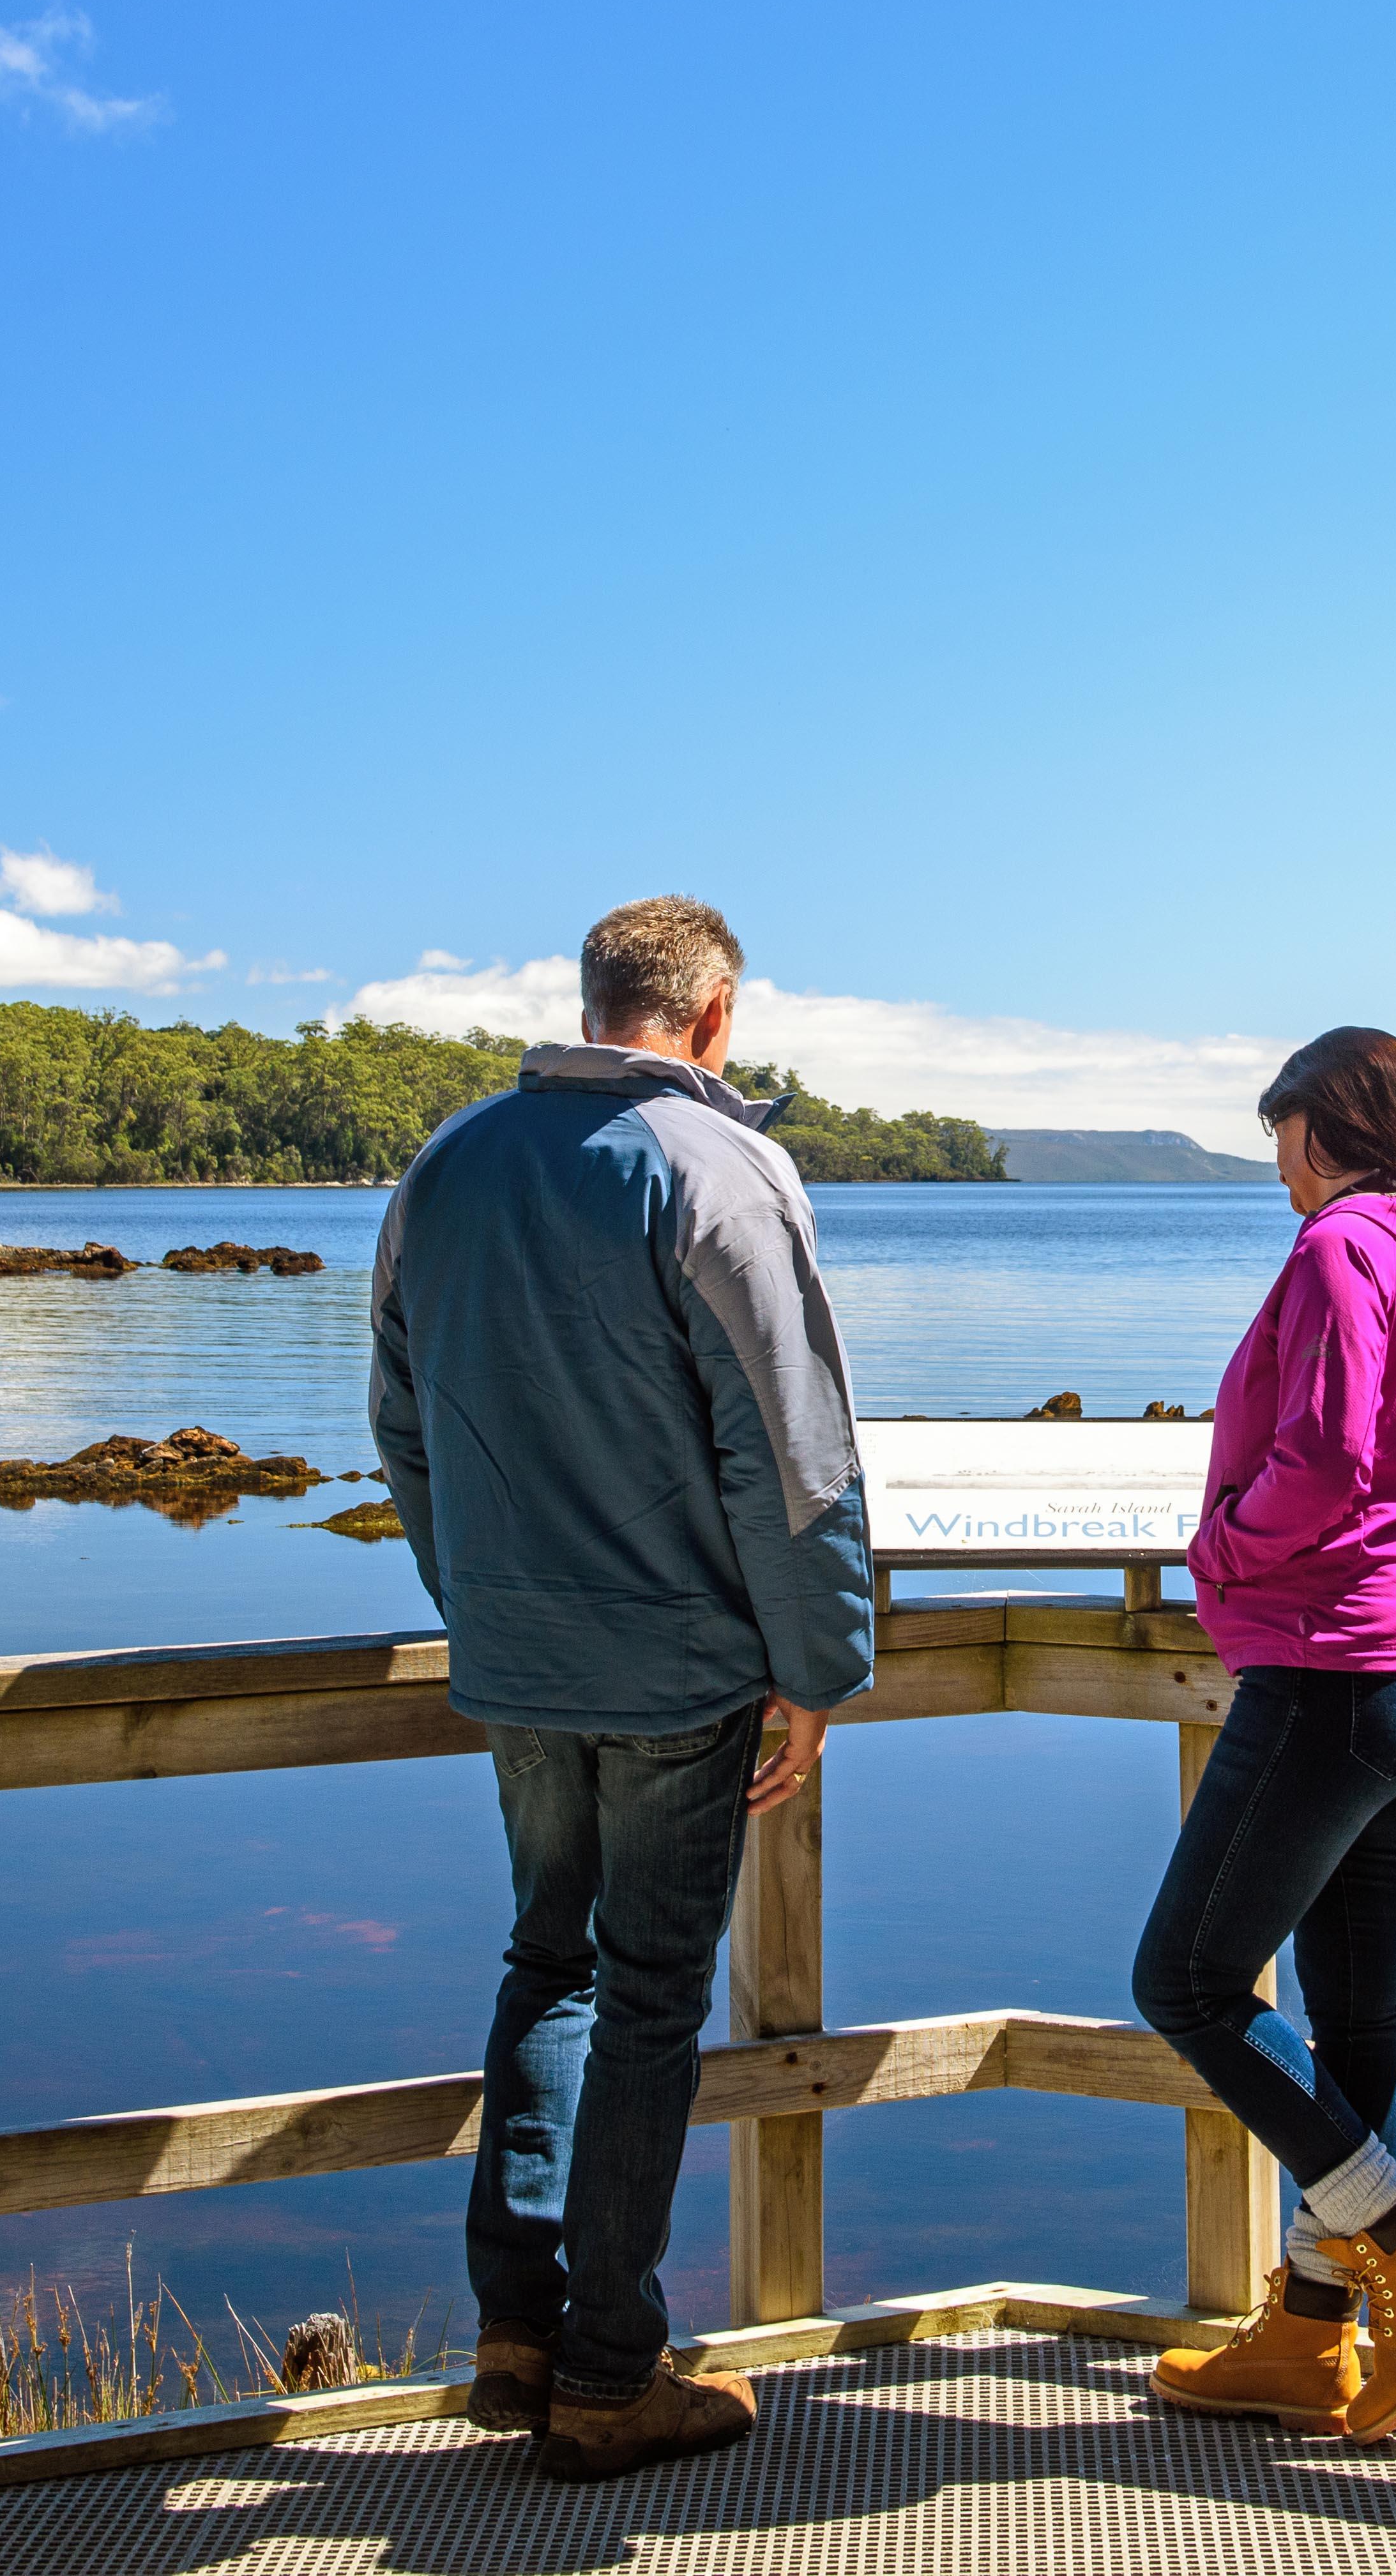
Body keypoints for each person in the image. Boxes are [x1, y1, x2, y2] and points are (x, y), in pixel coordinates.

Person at [368, 895, 875, 2483]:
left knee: (547, 1963)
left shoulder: (444, 1167)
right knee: (650, 1992)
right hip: (677, 1670)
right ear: (715, 1016)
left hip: (516, 1656)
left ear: (594, 1005)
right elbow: (792, 1460)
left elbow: (399, 1417)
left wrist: (475, 1603)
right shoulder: (721, 1170)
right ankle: (610, 2371)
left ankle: (514, 2340)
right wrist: (819, 1667)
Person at [1130, 1024, 1396, 2444]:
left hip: (1327, 1673)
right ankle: (1309, 2337)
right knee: (1354, 2018)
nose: (1277, 1176)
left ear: (1326, 1128)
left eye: (1279, 1142)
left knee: (1182, 1981)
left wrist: (1227, 1551)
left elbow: (1330, 1449)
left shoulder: (1345, 1248)